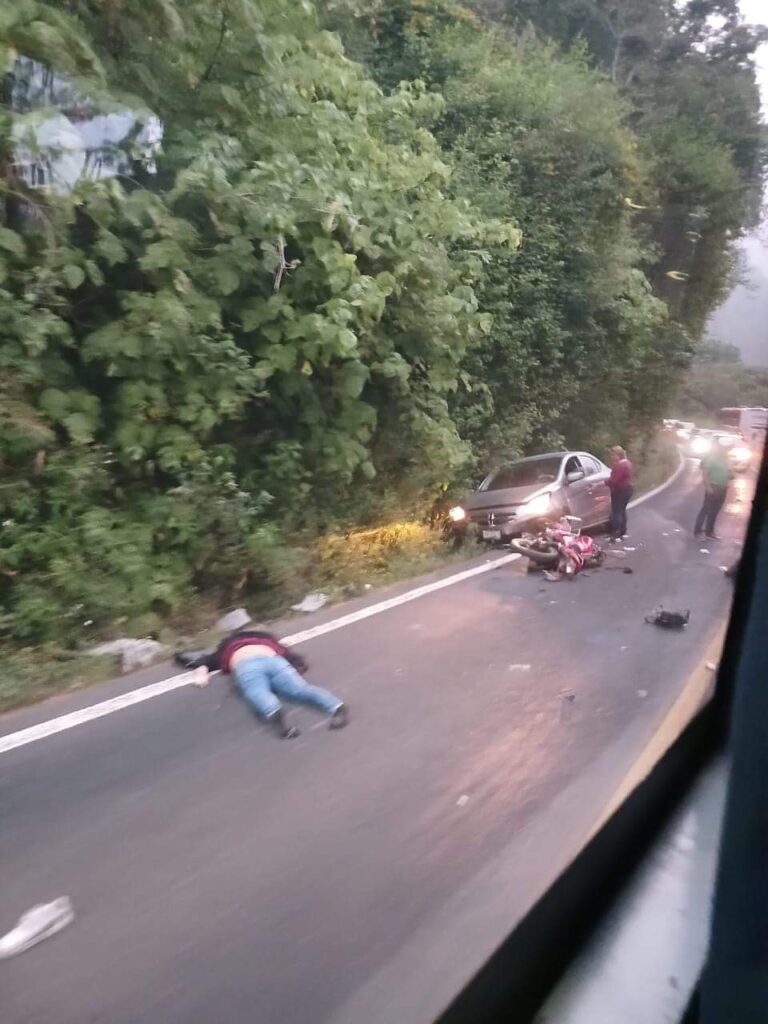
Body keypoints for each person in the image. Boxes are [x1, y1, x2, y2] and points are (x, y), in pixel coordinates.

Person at [176, 628, 348, 739]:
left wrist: (201, 676)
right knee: (300, 689)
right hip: (273, 660)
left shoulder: (228, 646)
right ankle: (336, 707)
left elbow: (203, 662)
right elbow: (293, 658)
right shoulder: (269, 642)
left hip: (246, 665)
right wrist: (297, 668)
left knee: (257, 692)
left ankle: (279, 719)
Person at [694, 440, 731, 540]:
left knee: (715, 511)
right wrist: (708, 487)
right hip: (713, 487)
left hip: (723, 488)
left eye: (727, 449)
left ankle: (709, 532)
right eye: (723, 449)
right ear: (719, 449)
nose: (725, 451)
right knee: (705, 510)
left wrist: (731, 475)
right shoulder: (711, 459)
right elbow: (705, 474)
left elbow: (730, 474)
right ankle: (697, 532)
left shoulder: (727, 460)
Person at [606, 445, 634, 541]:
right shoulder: (627, 463)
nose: (612, 457)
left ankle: (616, 532)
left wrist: (605, 482)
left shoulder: (619, 466)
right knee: (622, 510)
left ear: (618, 455)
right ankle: (623, 531)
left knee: (617, 512)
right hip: (628, 489)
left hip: (620, 490)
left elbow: (614, 480)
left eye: (613, 455)